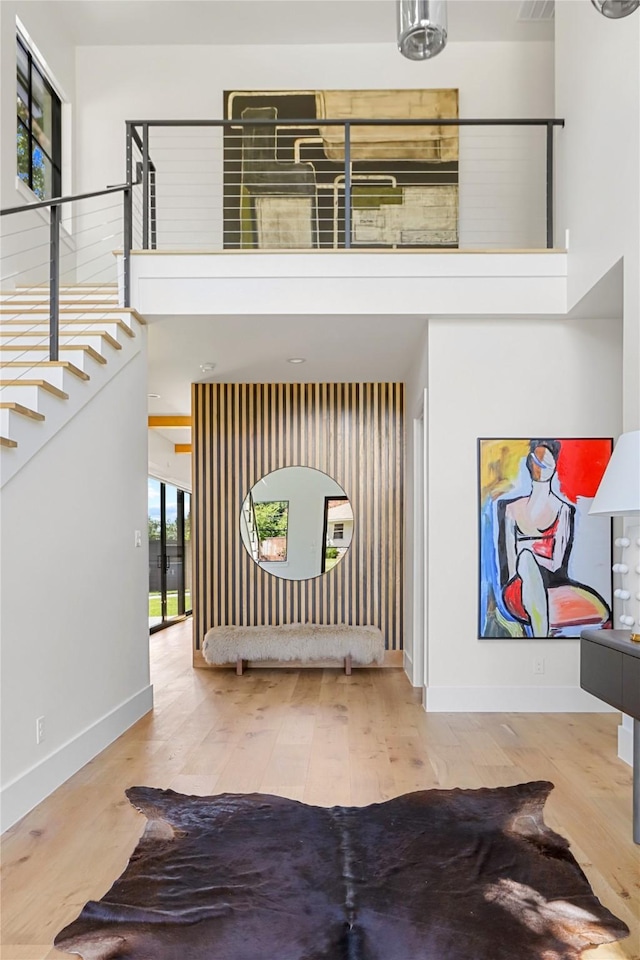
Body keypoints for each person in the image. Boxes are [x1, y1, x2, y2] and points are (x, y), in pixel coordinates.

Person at [497, 440, 610, 637]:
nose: (539, 468)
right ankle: (541, 629)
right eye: (535, 461)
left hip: (552, 582)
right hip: (519, 586)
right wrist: (529, 558)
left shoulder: (564, 511)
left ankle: (541, 629)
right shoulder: (511, 510)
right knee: (525, 559)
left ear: (554, 468)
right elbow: (512, 566)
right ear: (529, 464)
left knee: (602, 610)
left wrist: (530, 554)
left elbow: (556, 564)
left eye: (545, 464)